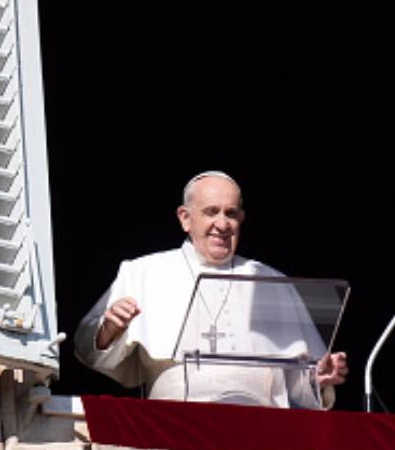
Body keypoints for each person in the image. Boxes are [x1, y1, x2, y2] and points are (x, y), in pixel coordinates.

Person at [77, 171, 348, 409]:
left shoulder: (271, 280)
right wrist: (108, 330)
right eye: (211, 211)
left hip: (261, 426)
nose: (222, 223)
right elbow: (86, 351)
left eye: (231, 213)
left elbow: (297, 387)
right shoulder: (144, 272)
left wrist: (317, 379)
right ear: (185, 218)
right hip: (173, 424)